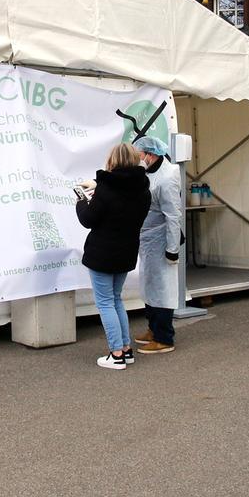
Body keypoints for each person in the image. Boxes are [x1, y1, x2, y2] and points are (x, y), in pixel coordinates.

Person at [76, 142, 152, 370]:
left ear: (112, 161)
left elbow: (88, 219)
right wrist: (98, 187)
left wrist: (81, 201)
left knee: (105, 302)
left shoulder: (106, 189)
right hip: (127, 251)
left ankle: (116, 353)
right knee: (116, 299)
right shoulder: (143, 190)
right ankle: (125, 349)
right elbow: (120, 190)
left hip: (102, 253)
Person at [130, 136, 182, 354]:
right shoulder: (149, 173)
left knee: (162, 288)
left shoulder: (168, 177)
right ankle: (153, 329)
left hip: (161, 239)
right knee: (150, 285)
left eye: (139, 156)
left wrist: (172, 249)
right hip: (148, 238)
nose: (137, 160)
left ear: (149, 155)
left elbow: (173, 215)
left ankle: (164, 338)